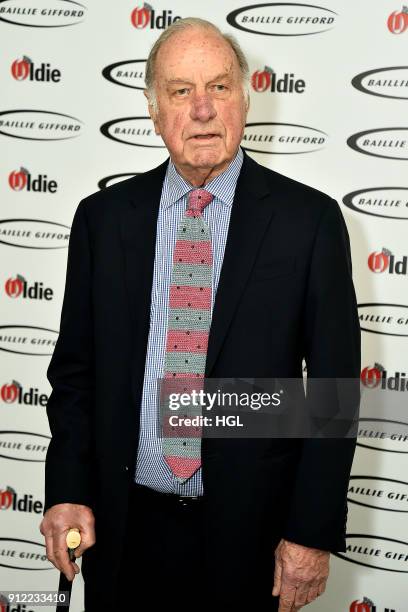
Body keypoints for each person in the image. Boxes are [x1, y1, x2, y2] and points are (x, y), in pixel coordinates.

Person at [40, 17, 360, 611]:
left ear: (245, 97)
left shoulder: (307, 222)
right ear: (154, 108)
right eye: (180, 91)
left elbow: (333, 397)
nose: (203, 110)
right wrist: (66, 490)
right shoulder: (102, 220)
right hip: (122, 530)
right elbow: (76, 375)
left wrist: (311, 532)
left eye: (219, 87)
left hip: (252, 540)